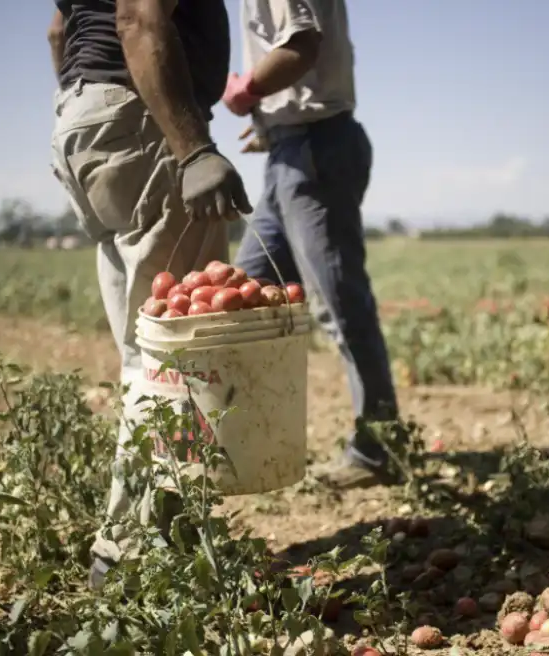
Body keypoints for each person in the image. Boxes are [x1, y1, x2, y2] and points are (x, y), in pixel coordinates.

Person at [47, 0, 252, 590]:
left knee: (147, 351)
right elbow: (138, 16)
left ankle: (153, 544)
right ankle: (131, 559)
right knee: (174, 355)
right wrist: (192, 148)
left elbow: (59, 30)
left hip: (86, 115)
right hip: (141, 117)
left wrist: (88, 110)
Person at [222, 0, 401, 490]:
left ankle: (379, 449)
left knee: (340, 306)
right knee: (247, 298)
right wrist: (272, 123)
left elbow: (301, 46)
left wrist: (246, 90)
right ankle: (252, 444)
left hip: (315, 151)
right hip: (292, 150)